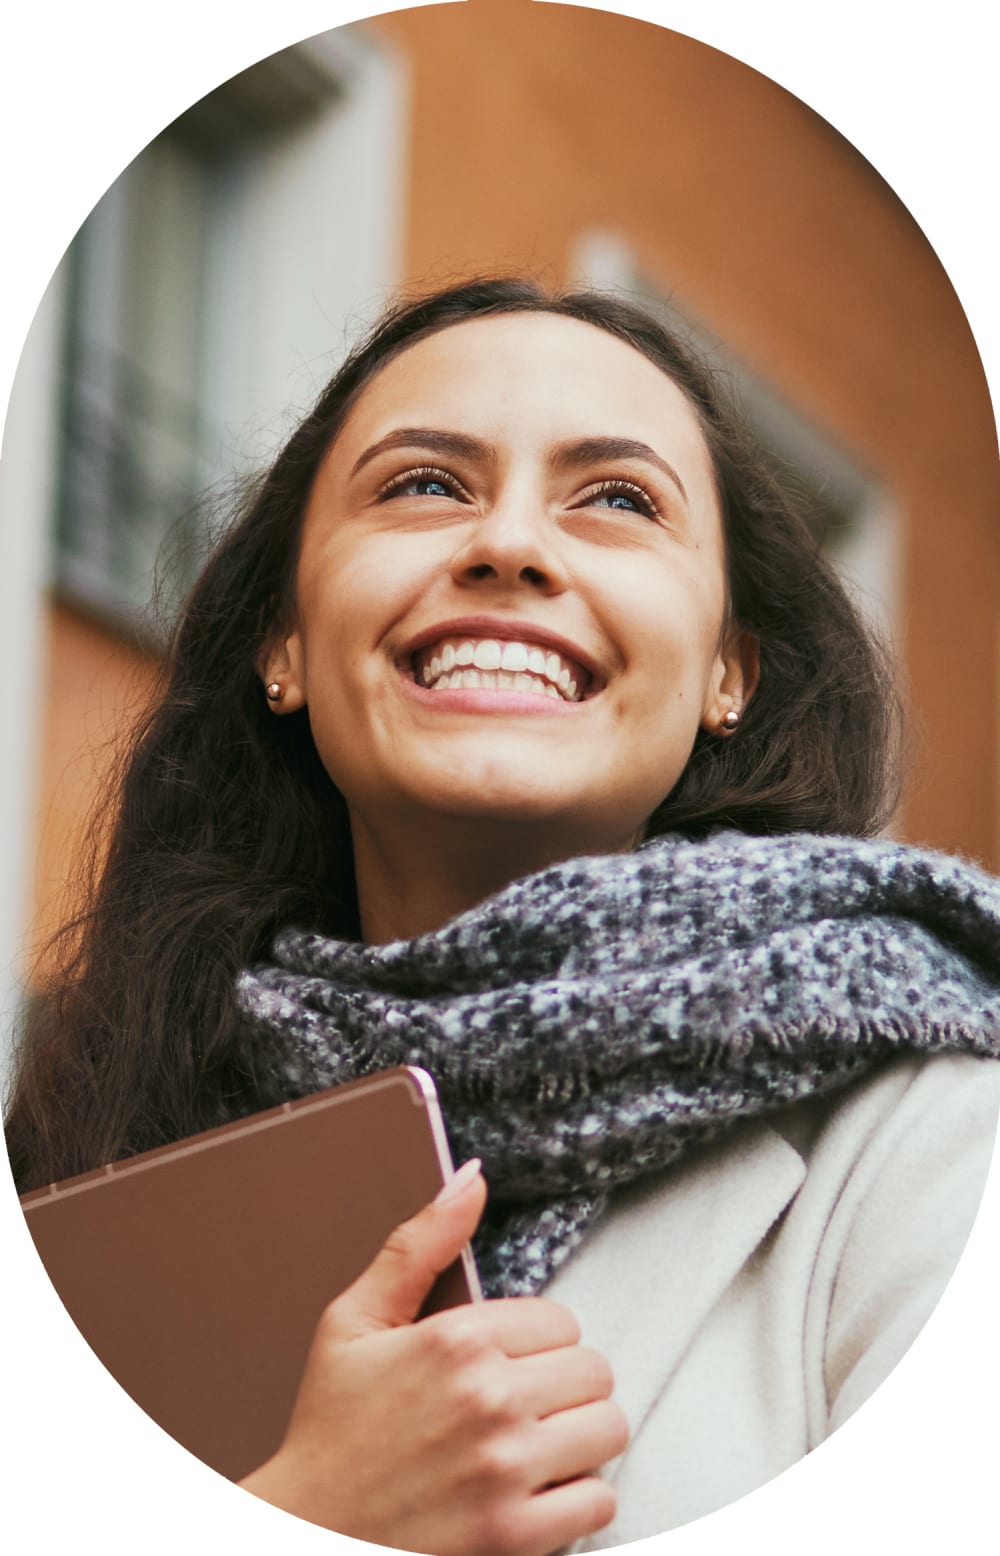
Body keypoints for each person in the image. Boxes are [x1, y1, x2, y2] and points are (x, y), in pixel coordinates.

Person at [6, 278, 1000, 1554]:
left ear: (724, 674)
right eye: (423, 484)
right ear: (286, 645)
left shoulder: (942, 1135)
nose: (510, 545)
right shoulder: (83, 1149)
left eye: (618, 499)